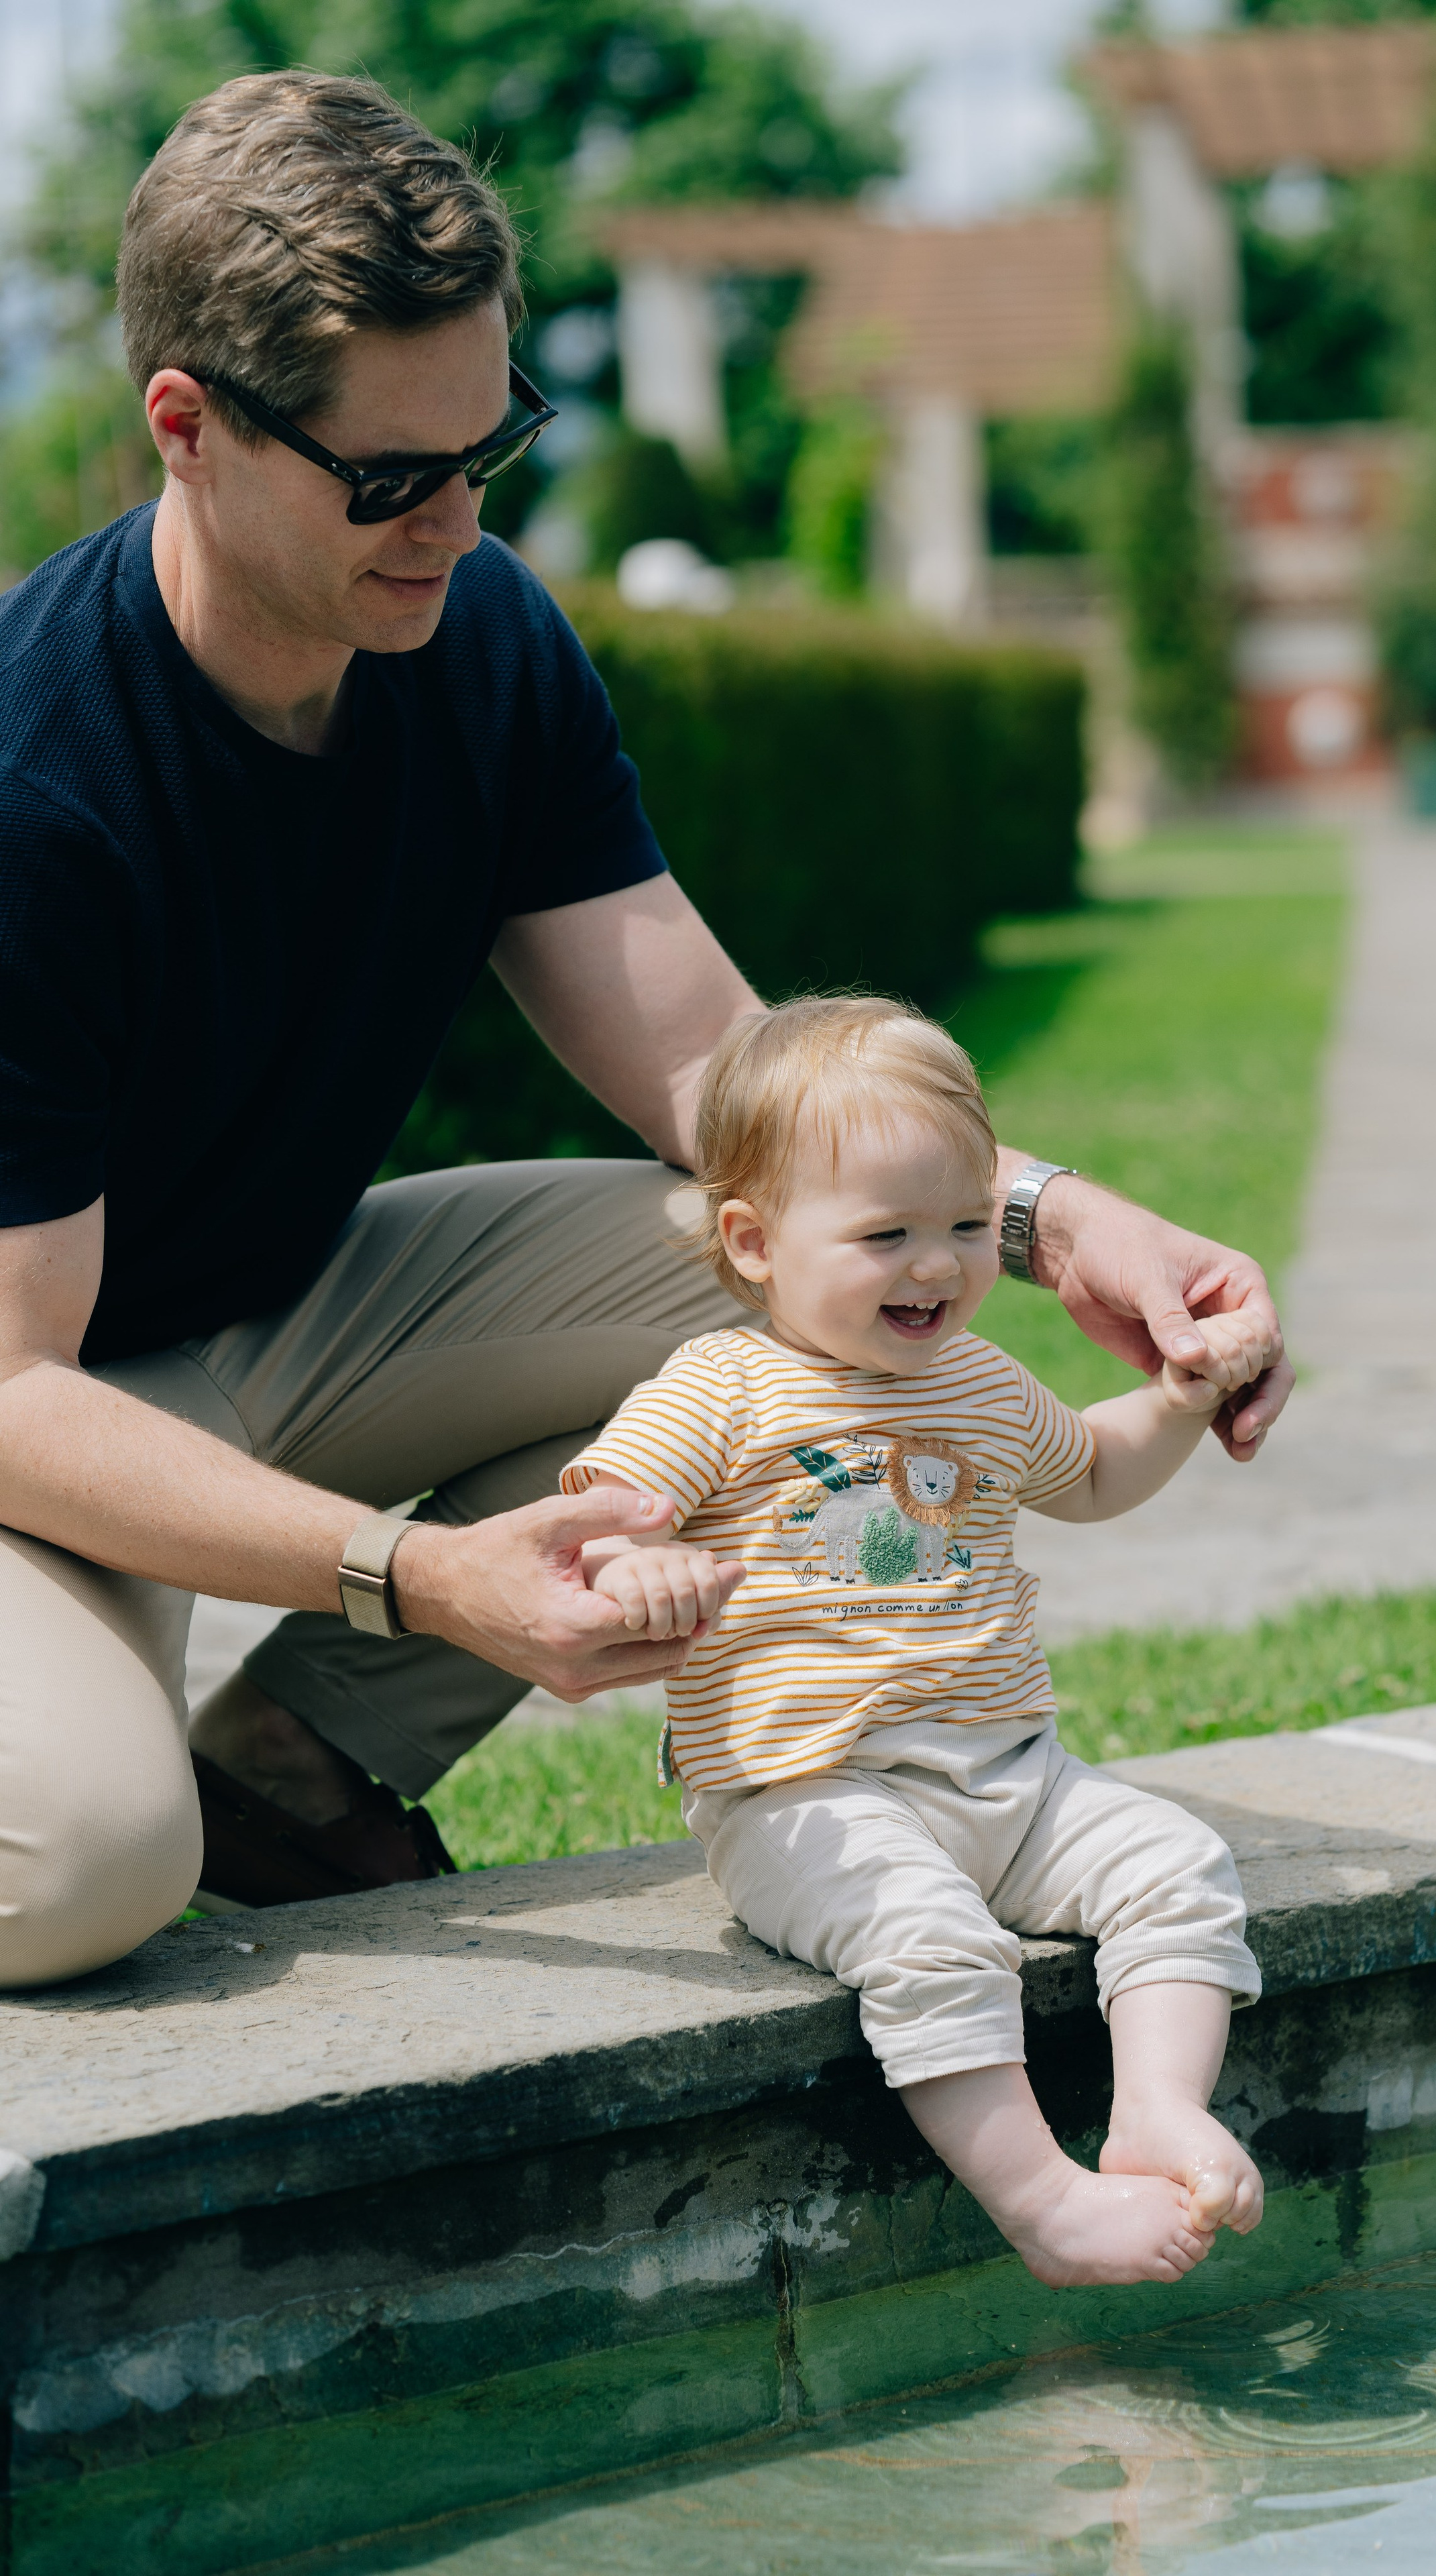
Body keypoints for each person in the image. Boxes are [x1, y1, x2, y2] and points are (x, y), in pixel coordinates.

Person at [0, 71, 1291, 1993]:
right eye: (389, 477)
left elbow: (721, 1081)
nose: (453, 519)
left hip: (279, 1311)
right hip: (53, 1394)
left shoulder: (481, 641)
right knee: (78, 1864)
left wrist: (1050, 1218)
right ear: (186, 426)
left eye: (489, 446)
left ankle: (301, 1756)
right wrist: (420, 1573)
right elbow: (18, 1389)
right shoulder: (36, 786)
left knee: (798, 1268)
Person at [561, 998, 1266, 2288]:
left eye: (959, 1227)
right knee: (929, 1940)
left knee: (1178, 1861)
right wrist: (639, 1560)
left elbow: (1095, 1473)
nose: (936, 1266)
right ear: (754, 1241)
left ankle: (1159, 2104)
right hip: (806, 1794)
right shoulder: (721, 1388)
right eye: (886, 1235)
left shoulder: (983, 1383)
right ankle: (1039, 2200)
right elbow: (603, 1516)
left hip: (1014, 1775)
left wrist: (1179, 1397)